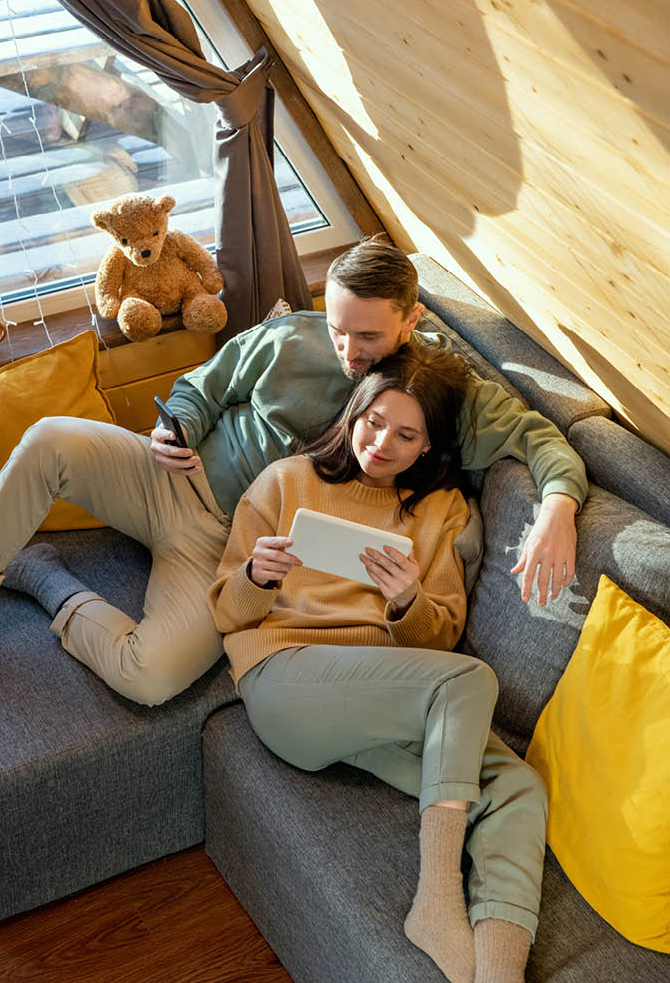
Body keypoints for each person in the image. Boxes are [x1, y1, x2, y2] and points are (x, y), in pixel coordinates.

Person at [0, 237, 586, 706]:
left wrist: (555, 507)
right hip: (165, 480)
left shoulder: (439, 390)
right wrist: (172, 426)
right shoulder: (289, 337)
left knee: (149, 679)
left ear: (409, 318)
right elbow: (202, 386)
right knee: (50, 436)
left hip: (222, 550)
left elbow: (543, 439)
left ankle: (48, 579)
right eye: (336, 328)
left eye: (366, 336)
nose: (346, 351)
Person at [208, 343, 546, 983]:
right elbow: (228, 612)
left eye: (406, 434)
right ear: (353, 412)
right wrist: (255, 576)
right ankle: (438, 894)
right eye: (373, 421)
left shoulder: (442, 511)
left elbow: (439, 641)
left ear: (428, 446)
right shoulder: (286, 481)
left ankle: (499, 973)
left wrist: (405, 602)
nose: (382, 442)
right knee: (472, 680)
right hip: (288, 679)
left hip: (384, 700)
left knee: (518, 788)